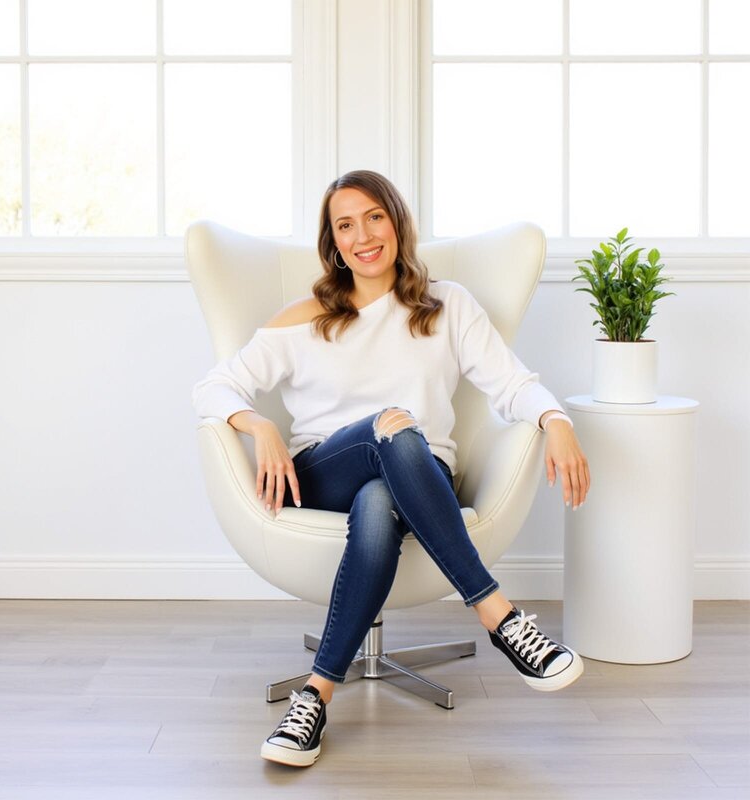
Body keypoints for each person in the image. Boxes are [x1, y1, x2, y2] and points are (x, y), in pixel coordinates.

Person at [192, 170, 591, 768]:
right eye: (345, 225)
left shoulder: (448, 306)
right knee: (390, 425)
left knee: (381, 496)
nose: (363, 236)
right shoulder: (304, 318)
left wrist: (555, 419)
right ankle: (499, 616)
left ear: (397, 222)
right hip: (323, 474)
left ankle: (314, 697)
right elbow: (212, 387)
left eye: (374, 217)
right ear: (333, 241)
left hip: (419, 474)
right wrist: (260, 426)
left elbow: (512, 384)